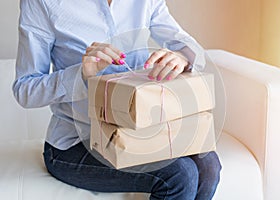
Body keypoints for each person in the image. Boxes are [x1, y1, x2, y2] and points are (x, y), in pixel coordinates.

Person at [13, 0, 222, 199]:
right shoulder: (42, 3)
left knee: (209, 165)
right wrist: (81, 75)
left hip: (137, 133)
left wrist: (183, 57)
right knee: (180, 175)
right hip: (75, 144)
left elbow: (186, 45)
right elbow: (24, 89)